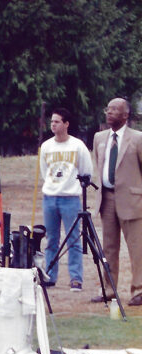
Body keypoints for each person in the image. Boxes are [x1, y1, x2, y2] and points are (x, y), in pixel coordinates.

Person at [92, 97, 142, 306]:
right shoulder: (99, 137)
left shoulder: (137, 138)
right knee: (109, 248)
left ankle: (139, 289)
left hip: (132, 200)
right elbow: (97, 163)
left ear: (125, 115)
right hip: (107, 199)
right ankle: (109, 289)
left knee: (137, 247)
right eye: (108, 109)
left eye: (115, 110)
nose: (109, 113)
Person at [39, 107, 93, 291]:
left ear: (66, 124)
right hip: (50, 198)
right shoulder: (46, 146)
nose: (53, 124)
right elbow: (44, 171)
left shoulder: (77, 146)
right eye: (52, 121)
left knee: (73, 239)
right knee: (51, 239)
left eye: (57, 121)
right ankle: (50, 275)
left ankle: (76, 279)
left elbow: (86, 171)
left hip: (70, 199)